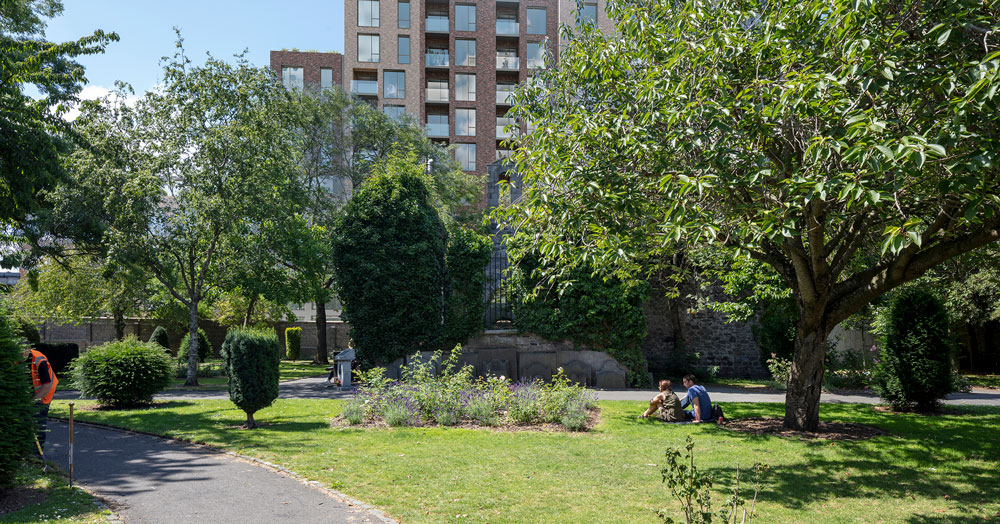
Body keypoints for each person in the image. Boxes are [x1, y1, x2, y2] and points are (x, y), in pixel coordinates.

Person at [25, 346, 58, 445]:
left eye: (23, 352)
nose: (21, 355)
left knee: (39, 422)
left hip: (45, 393)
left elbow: (46, 386)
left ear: (28, 349)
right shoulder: (17, 359)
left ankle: (37, 454)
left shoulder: (40, 361)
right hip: (31, 394)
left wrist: (32, 402)